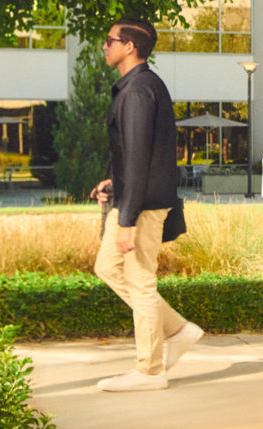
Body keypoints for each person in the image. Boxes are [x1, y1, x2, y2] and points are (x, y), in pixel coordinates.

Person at [89, 17, 203, 392]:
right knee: (107, 266)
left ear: (129, 47)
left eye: (109, 41)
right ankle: (177, 330)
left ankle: (150, 370)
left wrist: (128, 218)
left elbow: (139, 157)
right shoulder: (135, 87)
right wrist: (113, 180)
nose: (104, 46)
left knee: (140, 280)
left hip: (144, 204)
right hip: (134, 196)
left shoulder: (139, 90)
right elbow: (132, 152)